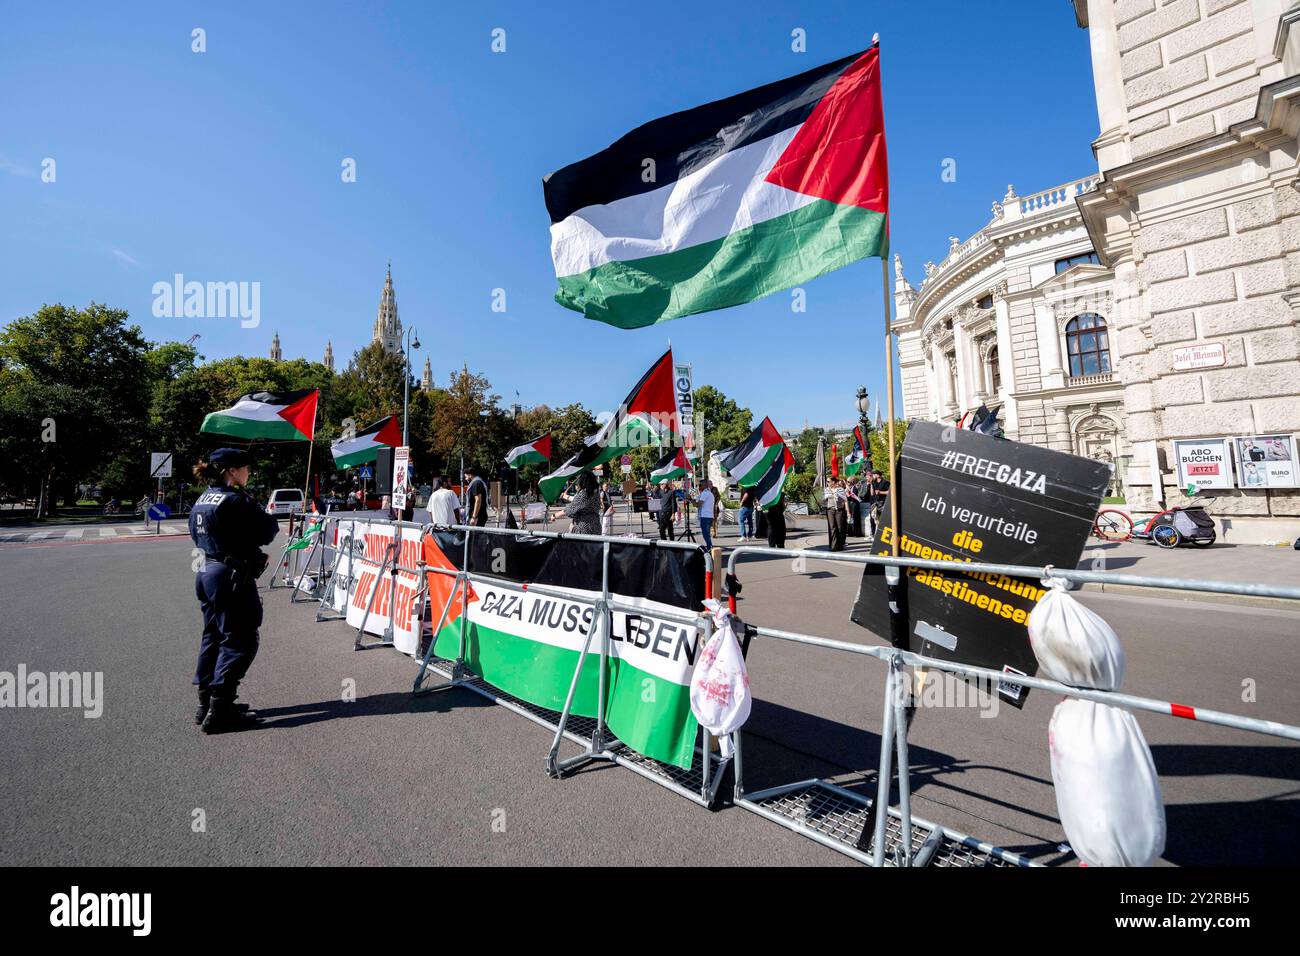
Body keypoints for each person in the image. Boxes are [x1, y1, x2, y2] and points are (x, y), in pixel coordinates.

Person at [188, 447, 280, 734]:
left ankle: (207, 704)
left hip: (206, 571)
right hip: (230, 576)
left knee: (213, 636)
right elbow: (268, 531)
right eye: (245, 468)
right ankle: (221, 709)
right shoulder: (236, 500)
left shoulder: (203, 499)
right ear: (231, 471)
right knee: (241, 639)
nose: (248, 472)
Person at [560, 471, 602, 535]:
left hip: (584, 527)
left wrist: (555, 515)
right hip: (596, 526)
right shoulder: (596, 492)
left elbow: (571, 509)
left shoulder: (584, 493)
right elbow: (578, 501)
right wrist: (566, 496)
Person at [825, 477, 849, 552]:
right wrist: (820, 502)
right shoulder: (827, 490)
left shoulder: (841, 490)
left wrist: (848, 511)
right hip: (830, 510)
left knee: (839, 527)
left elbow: (845, 500)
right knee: (832, 527)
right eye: (827, 481)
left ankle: (840, 545)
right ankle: (833, 545)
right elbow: (825, 499)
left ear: (834, 482)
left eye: (829, 481)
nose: (827, 483)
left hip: (839, 510)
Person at [697, 479, 720, 549]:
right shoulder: (709, 493)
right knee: (706, 534)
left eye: (700, 485)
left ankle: (710, 547)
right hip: (709, 516)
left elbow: (698, 504)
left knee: (705, 534)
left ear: (704, 485)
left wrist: (690, 500)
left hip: (705, 516)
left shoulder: (705, 493)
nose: (699, 487)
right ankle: (709, 547)